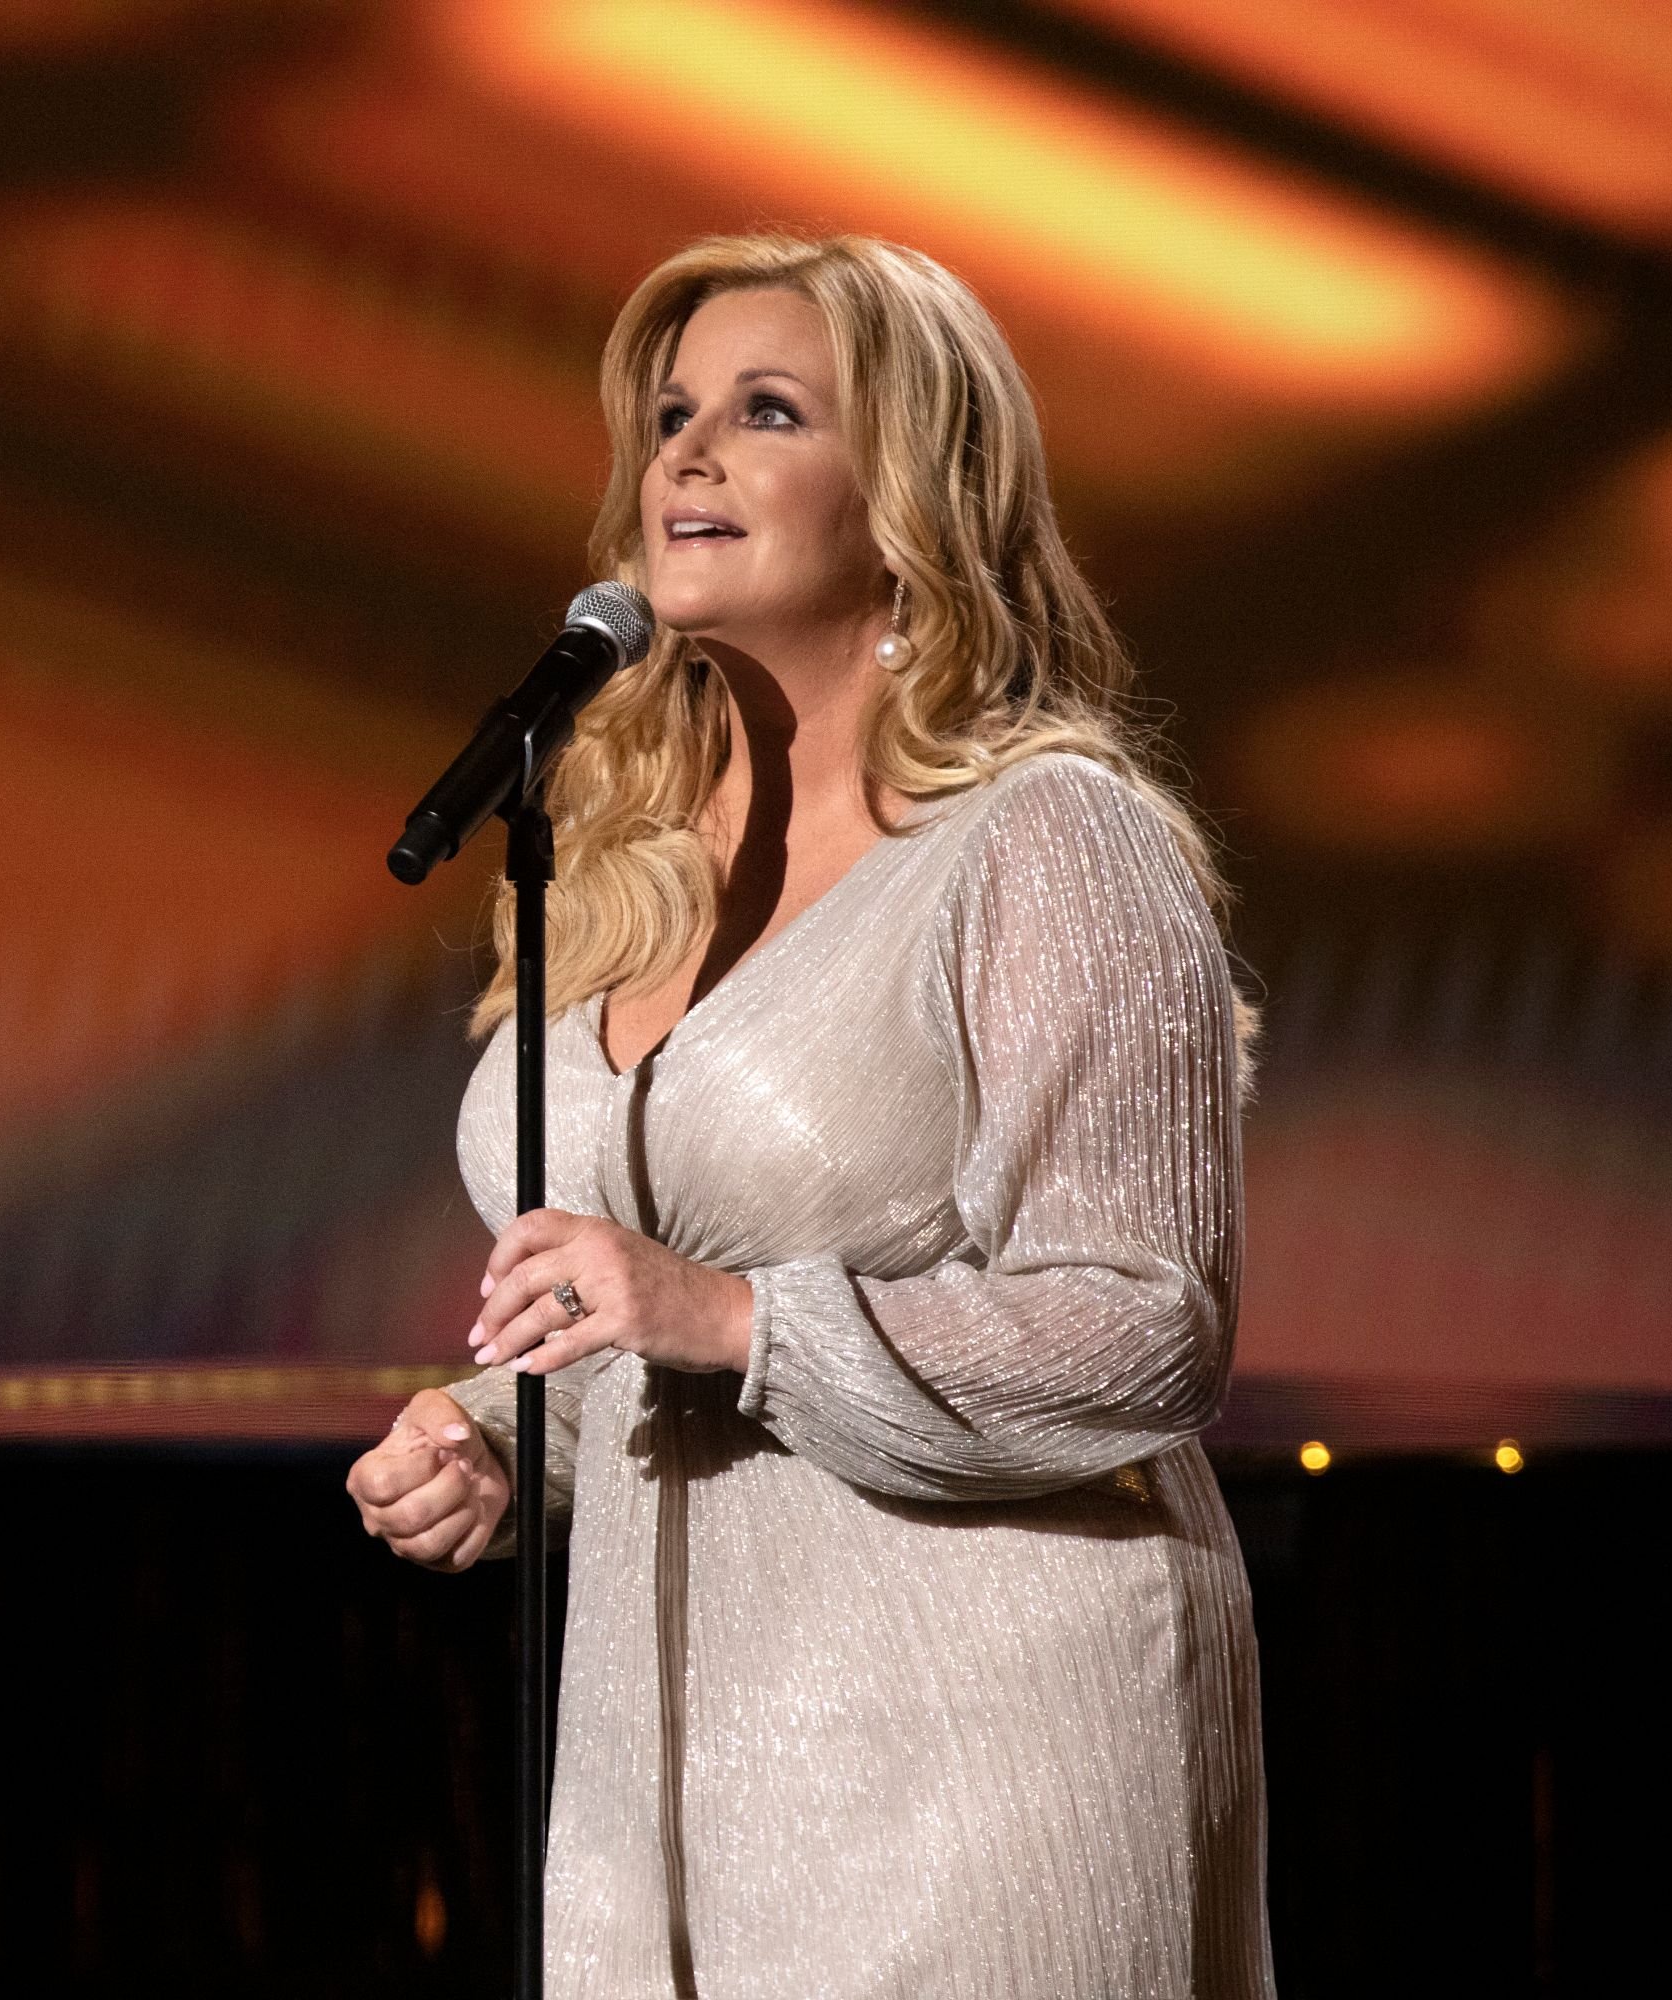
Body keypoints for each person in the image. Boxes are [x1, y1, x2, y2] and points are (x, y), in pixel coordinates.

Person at [346, 234, 1270, 1997]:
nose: (683, 455)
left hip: (981, 1769)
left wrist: (729, 1318)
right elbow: (660, 1300)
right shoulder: (619, 867)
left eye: (765, 412)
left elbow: (1153, 1328)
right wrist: (495, 1430)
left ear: (913, 492)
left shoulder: (1049, 842)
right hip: (664, 1772)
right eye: (671, 414)